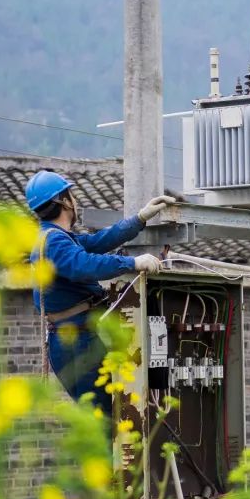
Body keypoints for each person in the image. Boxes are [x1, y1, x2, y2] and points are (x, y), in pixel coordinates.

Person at [26, 169, 173, 413]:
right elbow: (85, 265)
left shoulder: (56, 237)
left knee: (108, 416)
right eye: (71, 195)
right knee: (104, 419)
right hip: (75, 342)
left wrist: (138, 219)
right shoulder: (52, 242)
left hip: (78, 337)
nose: (75, 200)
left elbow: (98, 242)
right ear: (64, 202)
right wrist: (132, 263)